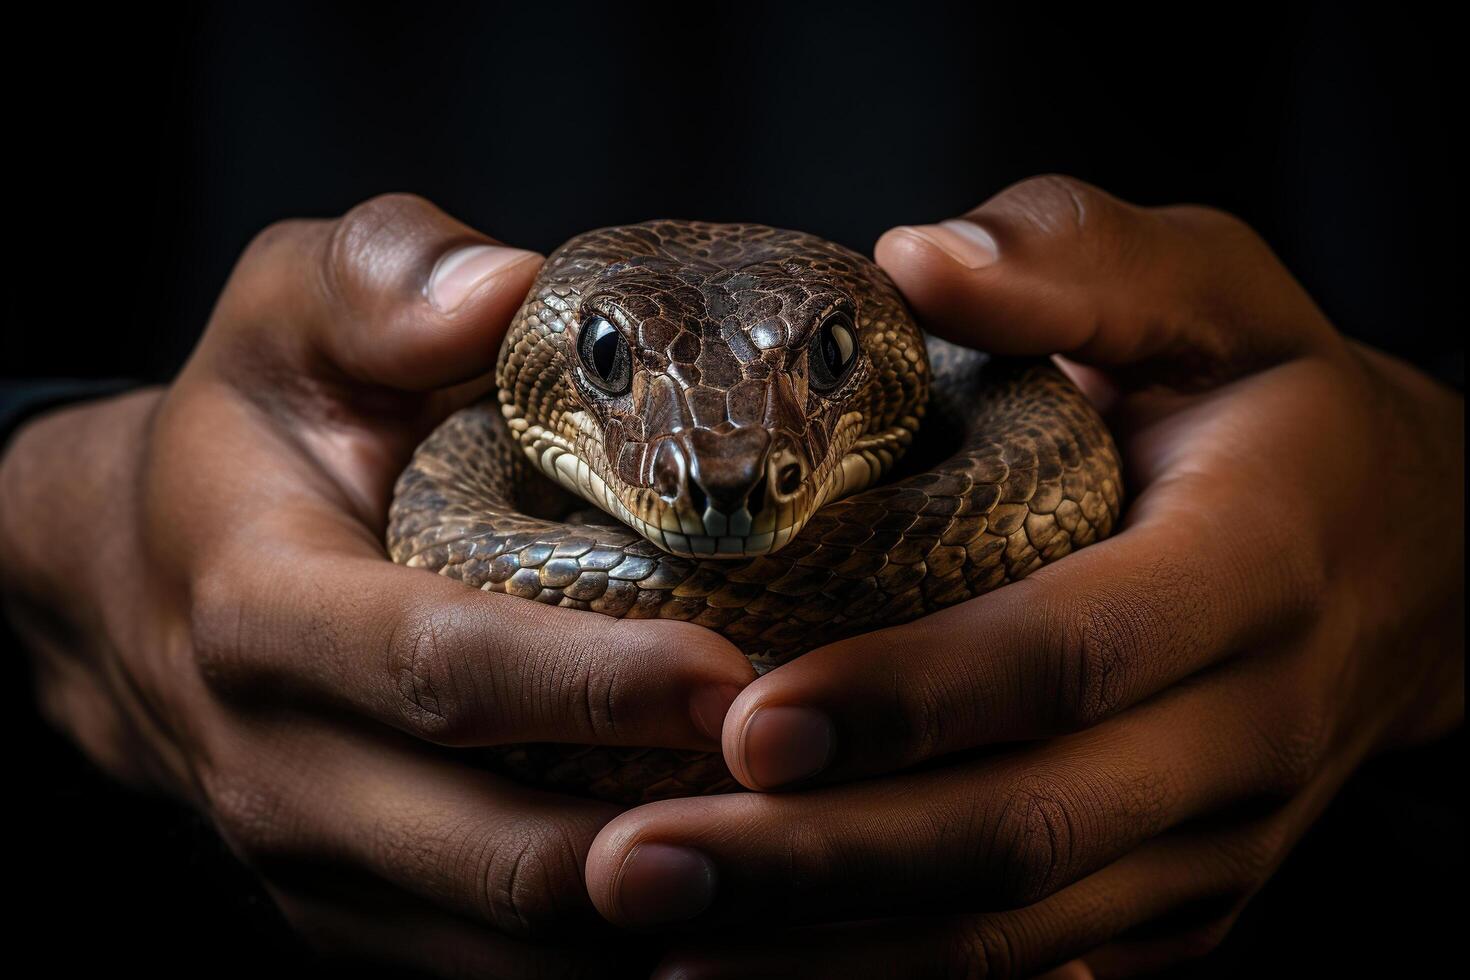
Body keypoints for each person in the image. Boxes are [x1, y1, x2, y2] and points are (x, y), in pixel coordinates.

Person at [1, 177, 1461, 978]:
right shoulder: (489, 426)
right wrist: (69, 518)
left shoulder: (977, 416)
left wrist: (1434, 522)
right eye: (607, 373)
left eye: (825, 374)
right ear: (538, 377)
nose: (717, 471)